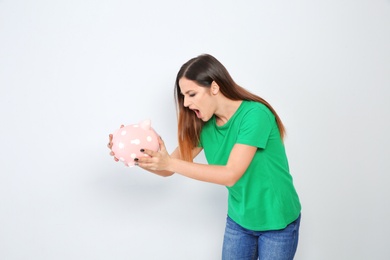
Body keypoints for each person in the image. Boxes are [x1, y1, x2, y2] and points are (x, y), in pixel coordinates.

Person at [108, 54, 301, 260]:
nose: (186, 103)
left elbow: (231, 174)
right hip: (240, 218)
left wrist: (170, 162)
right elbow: (166, 169)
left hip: (276, 220)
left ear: (215, 87)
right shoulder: (203, 125)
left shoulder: (255, 115)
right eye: (183, 96)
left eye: (191, 94)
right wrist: (132, 155)